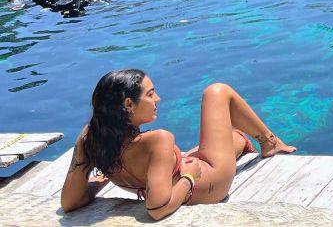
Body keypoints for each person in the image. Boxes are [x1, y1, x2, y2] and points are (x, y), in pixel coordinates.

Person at [61, 70, 296, 220]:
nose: (158, 99)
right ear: (129, 104)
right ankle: (269, 142)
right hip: (212, 181)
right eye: (151, 94)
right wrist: (189, 177)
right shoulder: (157, 140)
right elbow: (157, 209)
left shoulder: (92, 139)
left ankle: (240, 141)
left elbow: (70, 202)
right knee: (217, 92)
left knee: (227, 139)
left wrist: (101, 179)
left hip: (181, 169)